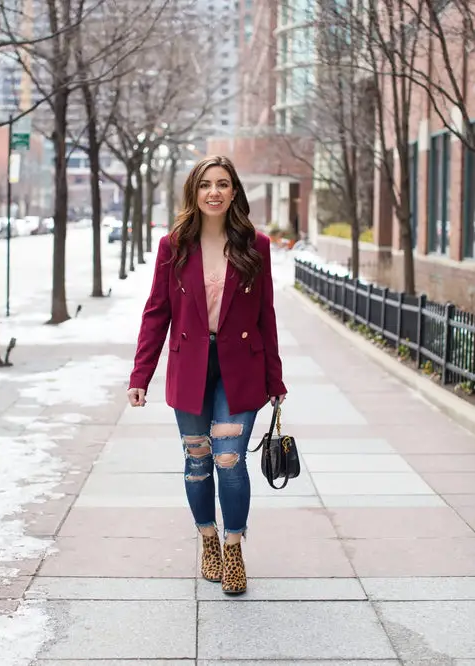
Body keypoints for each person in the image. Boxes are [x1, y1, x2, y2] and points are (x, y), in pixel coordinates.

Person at [127, 155, 286, 595]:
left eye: (222, 184)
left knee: (229, 460)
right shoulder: (174, 246)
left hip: (242, 368)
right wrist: (141, 374)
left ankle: (234, 546)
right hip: (190, 366)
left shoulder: (256, 244)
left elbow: (266, 316)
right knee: (197, 460)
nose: (213, 192)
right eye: (205, 185)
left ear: (234, 191)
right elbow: (156, 312)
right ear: (193, 193)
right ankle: (208, 539)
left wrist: (276, 379)